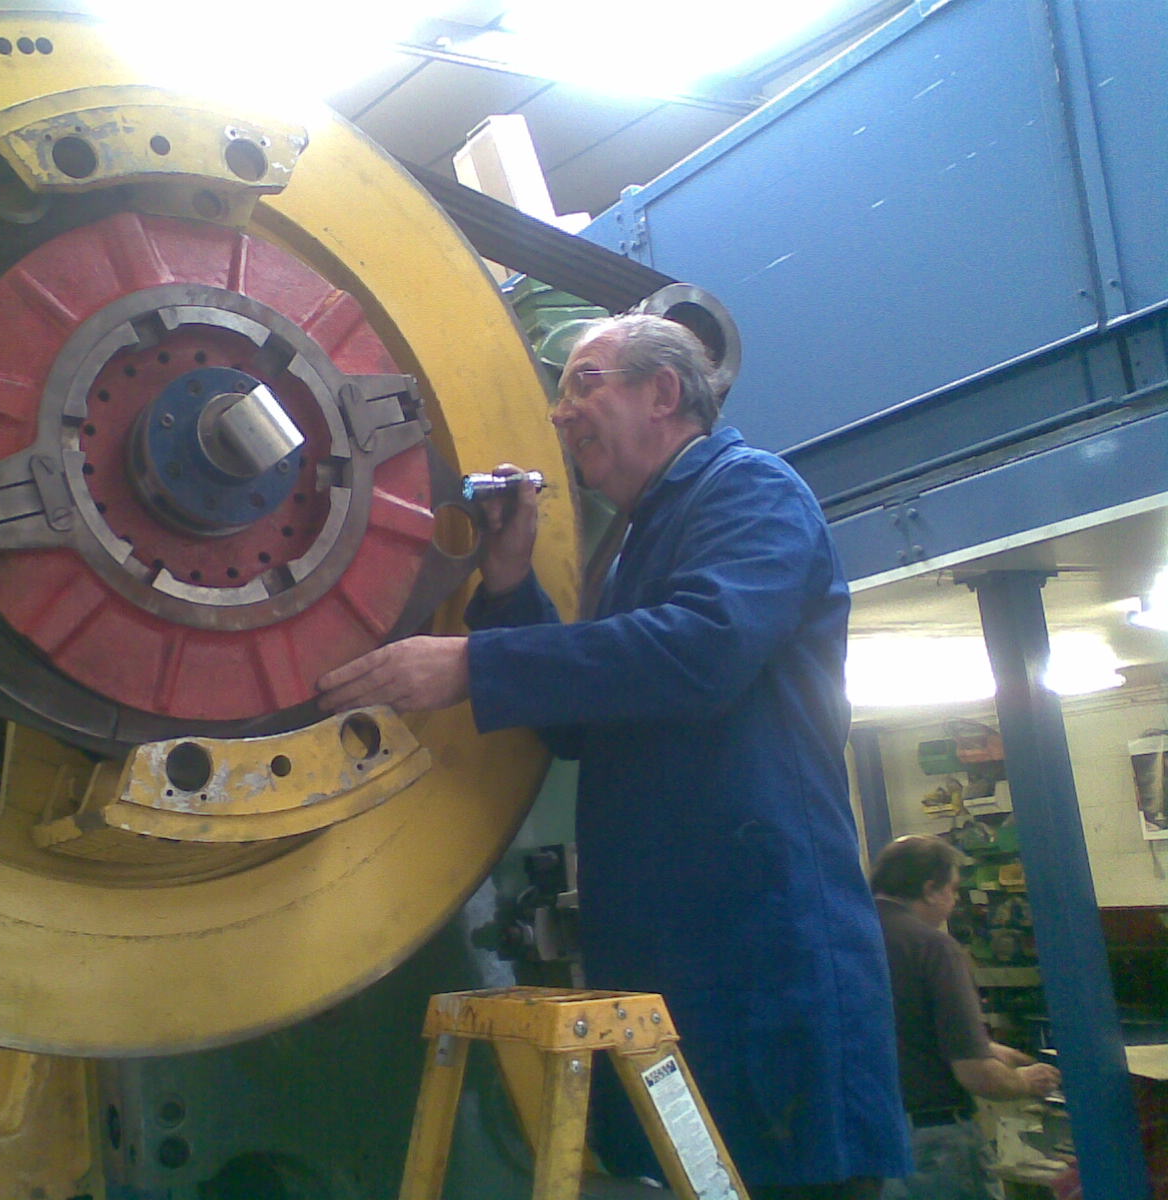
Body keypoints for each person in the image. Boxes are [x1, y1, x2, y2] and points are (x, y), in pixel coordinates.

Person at [318, 314, 910, 1197]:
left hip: (762, 951)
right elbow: (580, 726)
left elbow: (704, 653)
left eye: (584, 383)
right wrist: (509, 581)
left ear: (663, 393)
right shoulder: (639, 537)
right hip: (669, 958)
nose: (561, 414)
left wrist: (474, 664)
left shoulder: (752, 491)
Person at [869, 835, 1062, 1200]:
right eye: (953, 890)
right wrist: (1024, 1081)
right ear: (930, 889)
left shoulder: (846, 938)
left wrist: (988, 1048)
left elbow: (899, 1028)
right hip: (932, 1144)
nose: (955, 901)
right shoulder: (932, 946)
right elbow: (976, 1073)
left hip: (865, 1139)